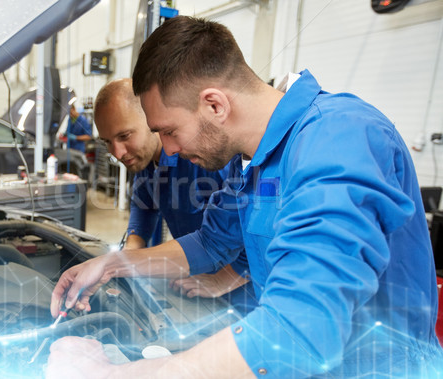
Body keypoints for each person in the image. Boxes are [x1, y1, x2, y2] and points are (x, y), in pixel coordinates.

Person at [47, 16, 443, 378]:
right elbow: (210, 244)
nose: (167, 150)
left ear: (215, 104)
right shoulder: (250, 165)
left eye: (169, 130)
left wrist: (113, 374)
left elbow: (300, 328)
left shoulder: (340, 138)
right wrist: (114, 264)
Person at [94, 78, 252, 303]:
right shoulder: (146, 164)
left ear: (151, 120)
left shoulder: (202, 157)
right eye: (107, 141)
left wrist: (225, 279)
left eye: (125, 136)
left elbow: (259, 226)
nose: (117, 152)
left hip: (243, 294)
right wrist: (131, 251)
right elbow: (144, 207)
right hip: (195, 282)